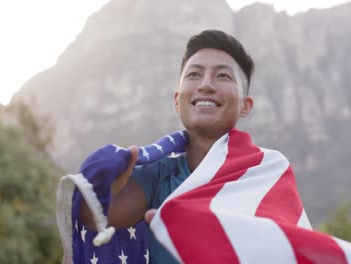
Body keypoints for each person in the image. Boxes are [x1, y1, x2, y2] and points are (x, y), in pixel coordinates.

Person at [79, 29, 256, 263]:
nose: (205, 85)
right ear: (177, 100)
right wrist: (104, 188)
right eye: (194, 74)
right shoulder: (157, 174)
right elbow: (95, 217)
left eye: (223, 76)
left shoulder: (267, 174)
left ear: (245, 105)